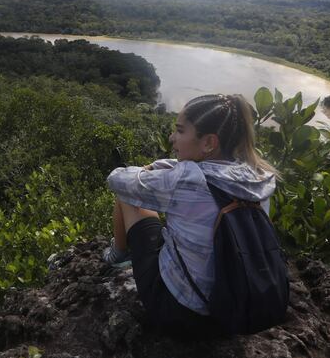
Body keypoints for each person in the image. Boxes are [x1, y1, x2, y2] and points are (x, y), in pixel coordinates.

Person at [102, 93, 277, 337]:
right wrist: (170, 166)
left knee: (127, 198)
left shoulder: (187, 180)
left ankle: (117, 255)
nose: (172, 138)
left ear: (208, 143)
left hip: (179, 310)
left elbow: (117, 179)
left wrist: (148, 169)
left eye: (180, 131)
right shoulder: (259, 178)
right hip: (234, 309)